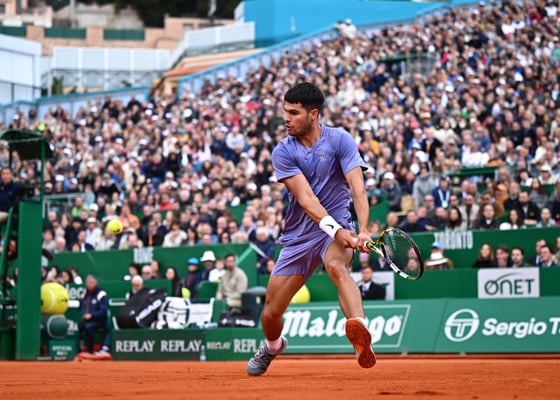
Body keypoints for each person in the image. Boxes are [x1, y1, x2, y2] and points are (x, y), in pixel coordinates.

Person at [247, 83, 375, 376]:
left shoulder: (340, 140)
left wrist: (363, 229)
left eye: (294, 113)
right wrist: (336, 231)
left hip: (339, 225)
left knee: (336, 267)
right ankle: (273, 346)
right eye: (285, 111)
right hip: (300, 236)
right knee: (270, 314)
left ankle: (360, 331)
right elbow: (306, 199)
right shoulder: (283, 151)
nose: (286, 118)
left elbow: (357, 187)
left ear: (313, 114)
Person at [79, 275, 110, 354]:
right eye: (88, 283)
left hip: (100, 321)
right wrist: (81, 300)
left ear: (96, 283)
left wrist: (92, 315)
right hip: (87, 320)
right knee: (79, 325)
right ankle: (80, 347)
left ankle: (90, 351)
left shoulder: (101, 294)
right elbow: (81, 307)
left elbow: (103, 312)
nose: (89, 284)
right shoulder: (85, 294)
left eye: (91, 283)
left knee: (89, 327)